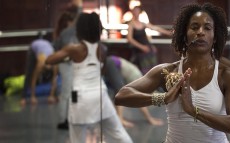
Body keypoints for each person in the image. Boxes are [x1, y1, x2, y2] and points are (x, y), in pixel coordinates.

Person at [115, 2, 230, 142]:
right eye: (194, 27)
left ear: (214, 37)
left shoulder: (228, 76)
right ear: (184, 35)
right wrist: (163, 98)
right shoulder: (167, 71)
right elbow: (121, 96)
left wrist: (193, 111)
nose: (200, 32)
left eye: (207, 28)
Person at [46, 12, 133, 143]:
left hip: (80, 98)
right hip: (100, 95)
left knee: (77, 138)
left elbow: (49, 60)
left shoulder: (74, 49)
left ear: (80, 29)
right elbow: (102, 71)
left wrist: (68, 57)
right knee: (118, 133)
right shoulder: (102, 49)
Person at [108, 55, 163, 127]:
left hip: (113, 61)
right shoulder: (140, 81)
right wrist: (150, 119)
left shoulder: (141, 78)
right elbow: (140, 101)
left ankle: (117, 119)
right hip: (113, 62)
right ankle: (120, 120)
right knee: (120, 93)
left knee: (116, 93)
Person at [52, 0, 82, 130]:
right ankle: (64, 120)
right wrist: (79, 5)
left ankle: (70, 118)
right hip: (68, 65)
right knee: (67, 93)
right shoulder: (67, 33)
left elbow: (56, 48)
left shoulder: (61, 34)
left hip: (70, 65)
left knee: (72, 93)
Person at [127, 5, 172, 74]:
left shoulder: (142, 23)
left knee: (153, 68)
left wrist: (168, 33)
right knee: (144, 71)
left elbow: (155, 28)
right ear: (133, 12)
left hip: (148, 49)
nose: (136, 12)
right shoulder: (131, 24)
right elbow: (130, 39)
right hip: (140, 52)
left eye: (138, 11)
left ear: (140, 12)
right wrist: (142, 47)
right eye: (135, 11)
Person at [20, 38, 58, 105]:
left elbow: (54, 79)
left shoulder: (55, 64)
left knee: (56, 77)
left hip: (46, 45)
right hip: (34, 46)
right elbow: (33, 79)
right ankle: (23, 97)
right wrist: (33, 97)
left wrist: (51, 96)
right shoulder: (40, 64)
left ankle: (54, 95)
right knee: (29, 73)